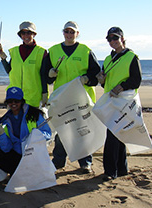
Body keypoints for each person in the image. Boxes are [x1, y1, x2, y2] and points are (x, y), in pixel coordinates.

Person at [44, 21, 99, 172]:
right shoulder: (54, 51)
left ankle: (85, 162)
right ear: (63, 33)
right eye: (67, 32)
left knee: (82, 129)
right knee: (62, 129)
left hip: (82, 98)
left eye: (72, 32)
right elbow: (46, 77)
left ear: (77, 34)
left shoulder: (85, 51)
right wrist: (50, 75)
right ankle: (59, 160)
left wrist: (86, 79)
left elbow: (96, 75)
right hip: (62, 98)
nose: (69, 34)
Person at [99, 27, 143, 180]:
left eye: (115, 38)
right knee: (118, 134)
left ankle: (110, 171)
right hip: (111, 102)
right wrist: (102, 80)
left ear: (122, 39)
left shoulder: (131, 57)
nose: (112, 41)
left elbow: (136, 80)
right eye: (109, 39)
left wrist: (122, 86)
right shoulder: (107, 59)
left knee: (113, 135)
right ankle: (121, 169)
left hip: (125, 102)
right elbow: (105, 83)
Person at [0, 87, 52, 175]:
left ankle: (23, 172)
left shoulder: (34, 114)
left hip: (33, 153)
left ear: (22, 101)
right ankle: (19, 173)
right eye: (10, 101)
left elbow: (48, 134)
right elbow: (6, 149)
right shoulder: (5, 120)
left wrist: (35, 136)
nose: (13, 104)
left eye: (16, 101)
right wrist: (0, 133)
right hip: (17, 154)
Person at [0, 21, 48, 109]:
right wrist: (3, 58)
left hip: (33, 97)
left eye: (29, 33)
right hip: (14, 96)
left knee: (31, 122)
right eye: (23, 33)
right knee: (14, 122)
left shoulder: (41, 52)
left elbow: (43, 75)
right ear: (20, 35)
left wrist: (45, 93)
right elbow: (10, 71)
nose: (26, 36)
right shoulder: (15, 52)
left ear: (34, 34)